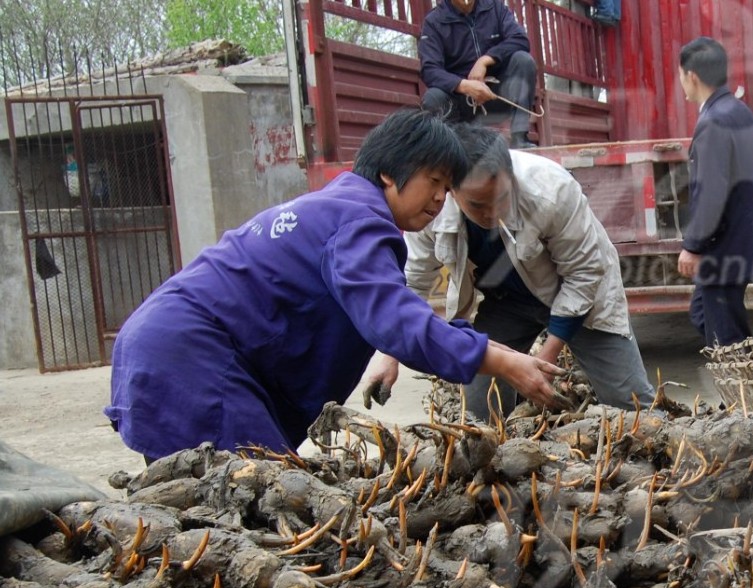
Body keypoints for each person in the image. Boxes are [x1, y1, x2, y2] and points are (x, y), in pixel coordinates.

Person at [105, 108, 561, 461]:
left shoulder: (339, 207)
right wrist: (502, 359)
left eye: (448, 188)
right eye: (434, 181)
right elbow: (396, 319)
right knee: (261, 501)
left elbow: (381, 313)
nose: (441, 198)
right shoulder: (357, 220)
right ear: (390, 173)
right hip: (190, 358)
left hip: (163, 346)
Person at [363, 124, 655, 418]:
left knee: (631, 405)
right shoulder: (431, 210)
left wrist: (545, 359)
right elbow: (411, 284)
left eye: (501, 198)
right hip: (508, 304)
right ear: (452, 192)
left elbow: (584, 274)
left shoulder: (551, 191)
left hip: (580, 298)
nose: (492, 212)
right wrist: (390, 354)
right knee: (480, 408)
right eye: (478, 205)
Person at [675, 36, 753, 348]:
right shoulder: (740, 112)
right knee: (704, 315)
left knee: (726, 339)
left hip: (724, 248)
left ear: (692, 76)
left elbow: (711, 193)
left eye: (680, 75)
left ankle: (747, 391)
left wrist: (693, 246)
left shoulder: (713, 121)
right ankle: (749, 375)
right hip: (743, 240)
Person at [419, 0, 538, 149]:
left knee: (523, 60)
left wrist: (485, 60)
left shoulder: (495, 7)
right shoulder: (434, 21)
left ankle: (520, 138)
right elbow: (430, 69)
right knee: (433, 96)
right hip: (461, 102)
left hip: (497, 94)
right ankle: (450, 151)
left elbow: (520, 39)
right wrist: (463, 85)